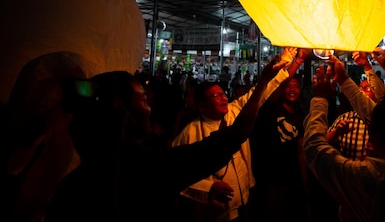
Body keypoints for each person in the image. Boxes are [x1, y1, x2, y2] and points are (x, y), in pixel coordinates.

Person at [44, 54, 287, 222]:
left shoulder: (70, 184)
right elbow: (234, 136)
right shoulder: (152, 168)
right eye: (143, 100)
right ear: (122, 114)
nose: (150, 108)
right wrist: (263, 81)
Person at [171, 47, 305, 222]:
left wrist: (289, 62)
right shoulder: (191, 131)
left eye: (222, 93)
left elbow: (263, 92)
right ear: (202, 106)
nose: (223, 98)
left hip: (245, 200)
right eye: (216, 96)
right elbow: (175, 172)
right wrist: (208, 188)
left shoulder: (234, 111)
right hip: (213, 212)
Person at [303, 54, 385, 222]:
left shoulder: (375, 175)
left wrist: (320, 99)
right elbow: (379, 112)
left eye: (372, 128)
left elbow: (314, 148)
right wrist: (344, 79)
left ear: (377, 135)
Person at [249, 73, 310, 222]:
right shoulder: (271, 110)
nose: (292, 90)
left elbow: (300, 150)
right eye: (288, 86)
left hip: (291, 177)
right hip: (270, 177)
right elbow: (270, 96)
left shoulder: (301, 117)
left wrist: (305, 181)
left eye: (296, 86)